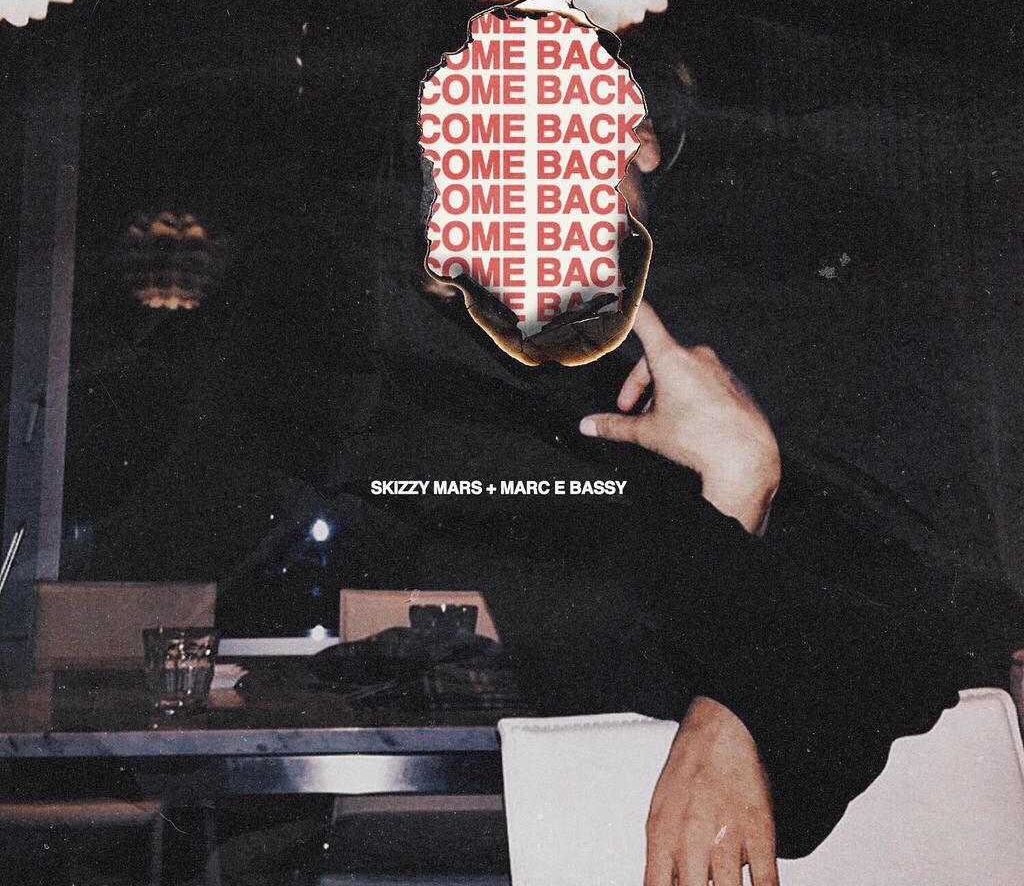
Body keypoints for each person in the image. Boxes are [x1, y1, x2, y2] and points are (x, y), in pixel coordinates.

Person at [324, 106, 973, 885]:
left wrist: (732, 704)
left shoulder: (676, 370)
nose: (640, 152)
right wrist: (738, 490)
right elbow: (612, 668)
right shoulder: (442, 397)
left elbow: (927, 611)